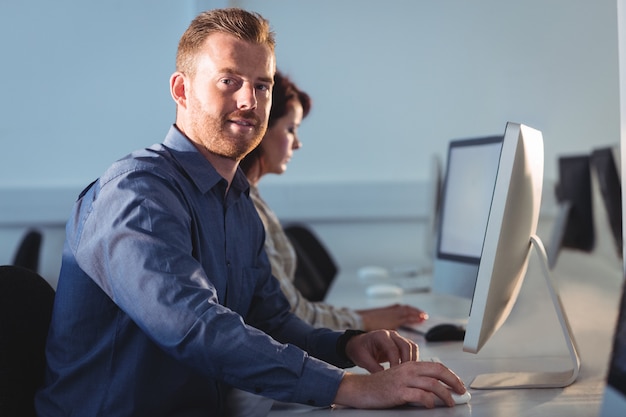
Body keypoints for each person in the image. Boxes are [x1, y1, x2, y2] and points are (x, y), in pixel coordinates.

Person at [35, 8, 466, 416]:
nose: (251, 101)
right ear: (181, 90)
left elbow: (271, 320)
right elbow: (194, 326)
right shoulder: (138, 195)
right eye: (229, 81)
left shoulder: (237, 200)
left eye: (262, 85)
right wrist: (345, 388)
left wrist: (346, 345)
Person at [241, 70, 428, 331]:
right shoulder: (245, 209)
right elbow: (290, 312)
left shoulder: (253, 199)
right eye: (290, 129)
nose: (297, 144)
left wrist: (363, 317)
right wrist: (364, 321)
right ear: (261, 128)